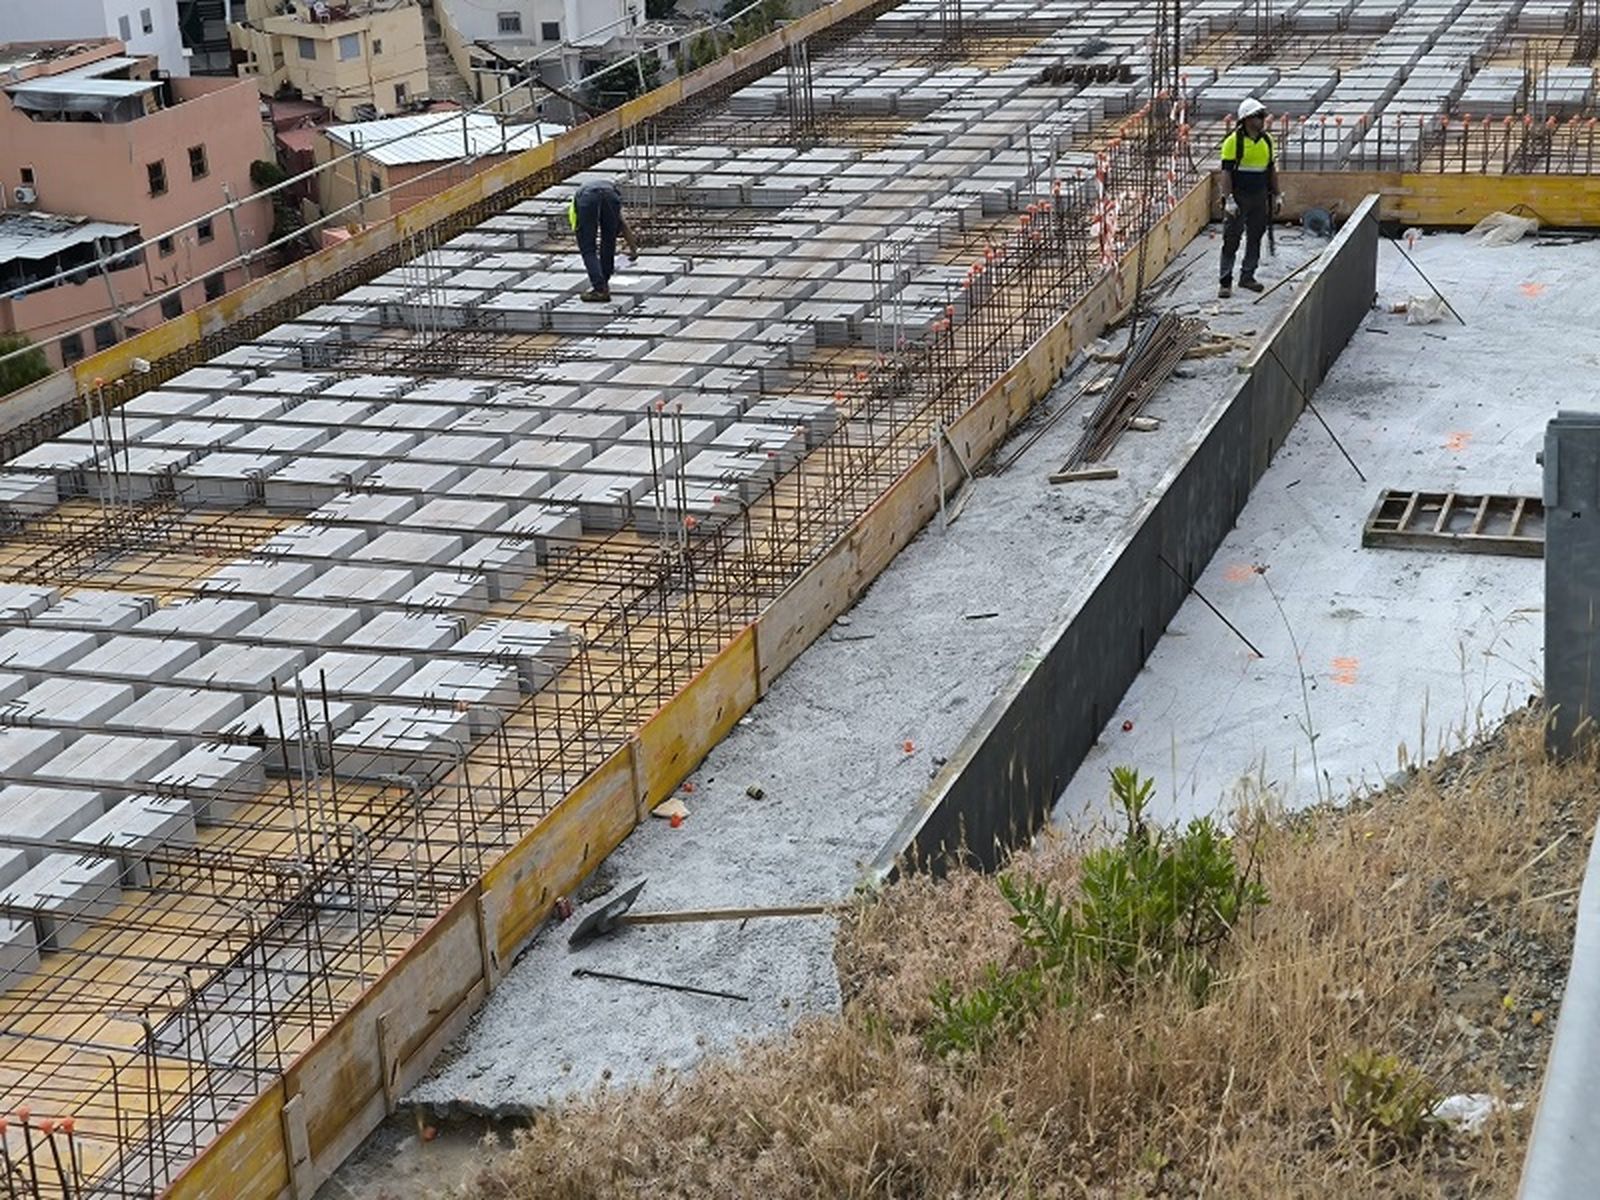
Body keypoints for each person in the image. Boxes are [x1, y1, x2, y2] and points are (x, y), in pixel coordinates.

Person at [1218, 97, 1282, 298]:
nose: (1263, 119)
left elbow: (1271, 170)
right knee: (1231, 238)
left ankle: (1247, 276)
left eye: (1263, 116)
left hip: (1259, 196)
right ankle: (1225, 282)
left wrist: (1277, 194)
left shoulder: (1267, 141)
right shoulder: (1233, 142)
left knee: (1255, 237)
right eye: (1258, 116)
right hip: (1239, 197)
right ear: (1246, 119)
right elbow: (1226, 173)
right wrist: (1228, 199)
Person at [568, 179, 640, 303]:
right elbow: (622, 223)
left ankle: (600, 289)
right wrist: (633, 248)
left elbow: (578, 227)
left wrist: (584, 235)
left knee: (588, 248)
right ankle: (604, 280)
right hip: (610, 195)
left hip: (587, 198)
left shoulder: (580, 198)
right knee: (609, 240)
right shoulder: (611, 191)